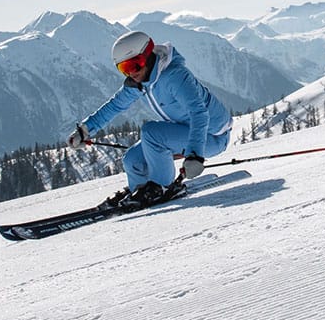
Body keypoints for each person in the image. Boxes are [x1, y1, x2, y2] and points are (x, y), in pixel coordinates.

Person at [67, 31, 233, 209]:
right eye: (124, 68)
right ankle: (140, 191)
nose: (131, 73)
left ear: (147, 56)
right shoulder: (140, 83)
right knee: (132, 159)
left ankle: (160, 187)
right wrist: (85, 130)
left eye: (134, 65)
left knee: (151, 132)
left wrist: (195, 154)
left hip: (213, 135)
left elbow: (199, 113)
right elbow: (115, 106)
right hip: (185, 131)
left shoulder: (174, 76)